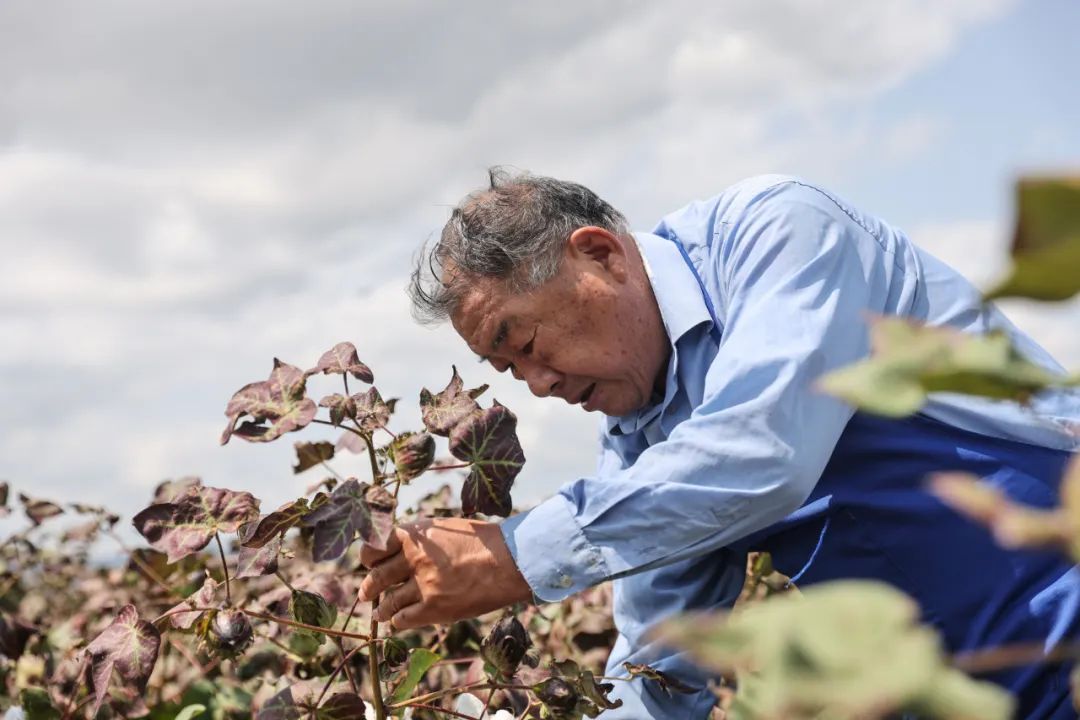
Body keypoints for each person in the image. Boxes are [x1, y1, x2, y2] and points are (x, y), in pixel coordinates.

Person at [358, 168, 1080, 718]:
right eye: (510, 370)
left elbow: (763, 449)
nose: (538, 384)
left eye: (524, 343)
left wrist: (517, 553)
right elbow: (660, 658)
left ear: (600, 255)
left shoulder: (776, 233)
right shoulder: (642, 437)